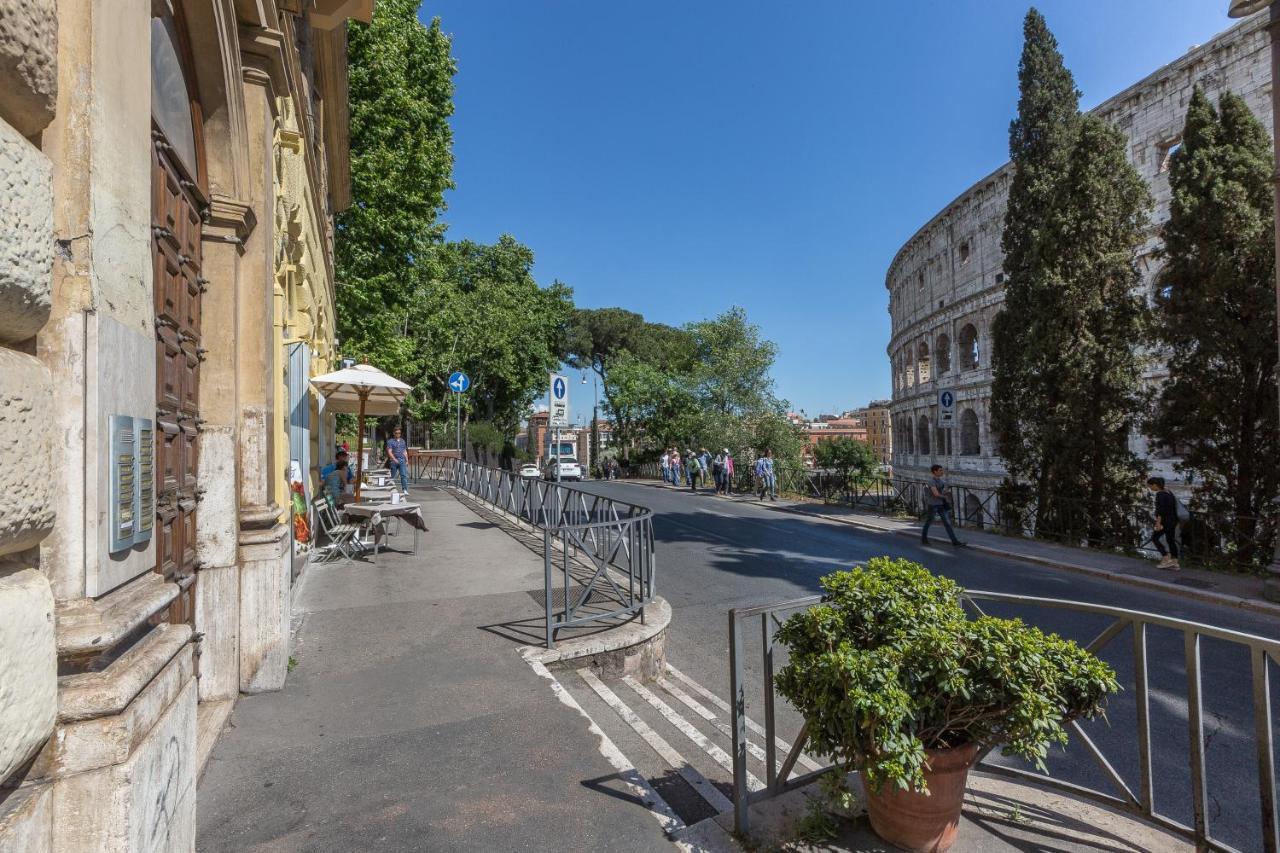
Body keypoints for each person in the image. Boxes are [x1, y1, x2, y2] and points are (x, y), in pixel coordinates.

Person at [921, 463, 965, 547]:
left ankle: (955, 542)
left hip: (940, 504)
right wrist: (945, 496)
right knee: (929, 522)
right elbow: (936, 494)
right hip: (933, 505)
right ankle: (924, 538)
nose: (942, 472)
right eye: (940, 470)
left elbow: (940, 492)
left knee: (947, 524)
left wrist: (946, 493)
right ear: (935, 471)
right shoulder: (931, 481)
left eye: (942, 470)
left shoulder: (941, 481)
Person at [1147, 476, 1180, 570]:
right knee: (1171, 540)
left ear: (1155, 485)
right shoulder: (1169, 492)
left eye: (1150, 486)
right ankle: (1175, 562)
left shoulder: (1160, 494)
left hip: (1165, 521)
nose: (1150, 488)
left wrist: (1158, 523)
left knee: (1154, 538)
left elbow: (1160, 511)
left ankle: (1166, 558)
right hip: (1173, 520)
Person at [386, 427, 409, 493]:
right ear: (394, 433)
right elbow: (389, 451)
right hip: (394, 461)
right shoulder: (390, 441)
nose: (398, 434)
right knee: (392, 475)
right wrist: (394, 459)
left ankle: (404, 489)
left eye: (399, 433)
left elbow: (404, 451)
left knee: (403, 475)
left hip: (402, 460)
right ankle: (389, 488)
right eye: (396, 433)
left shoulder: (402, 441)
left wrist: (407, 460)